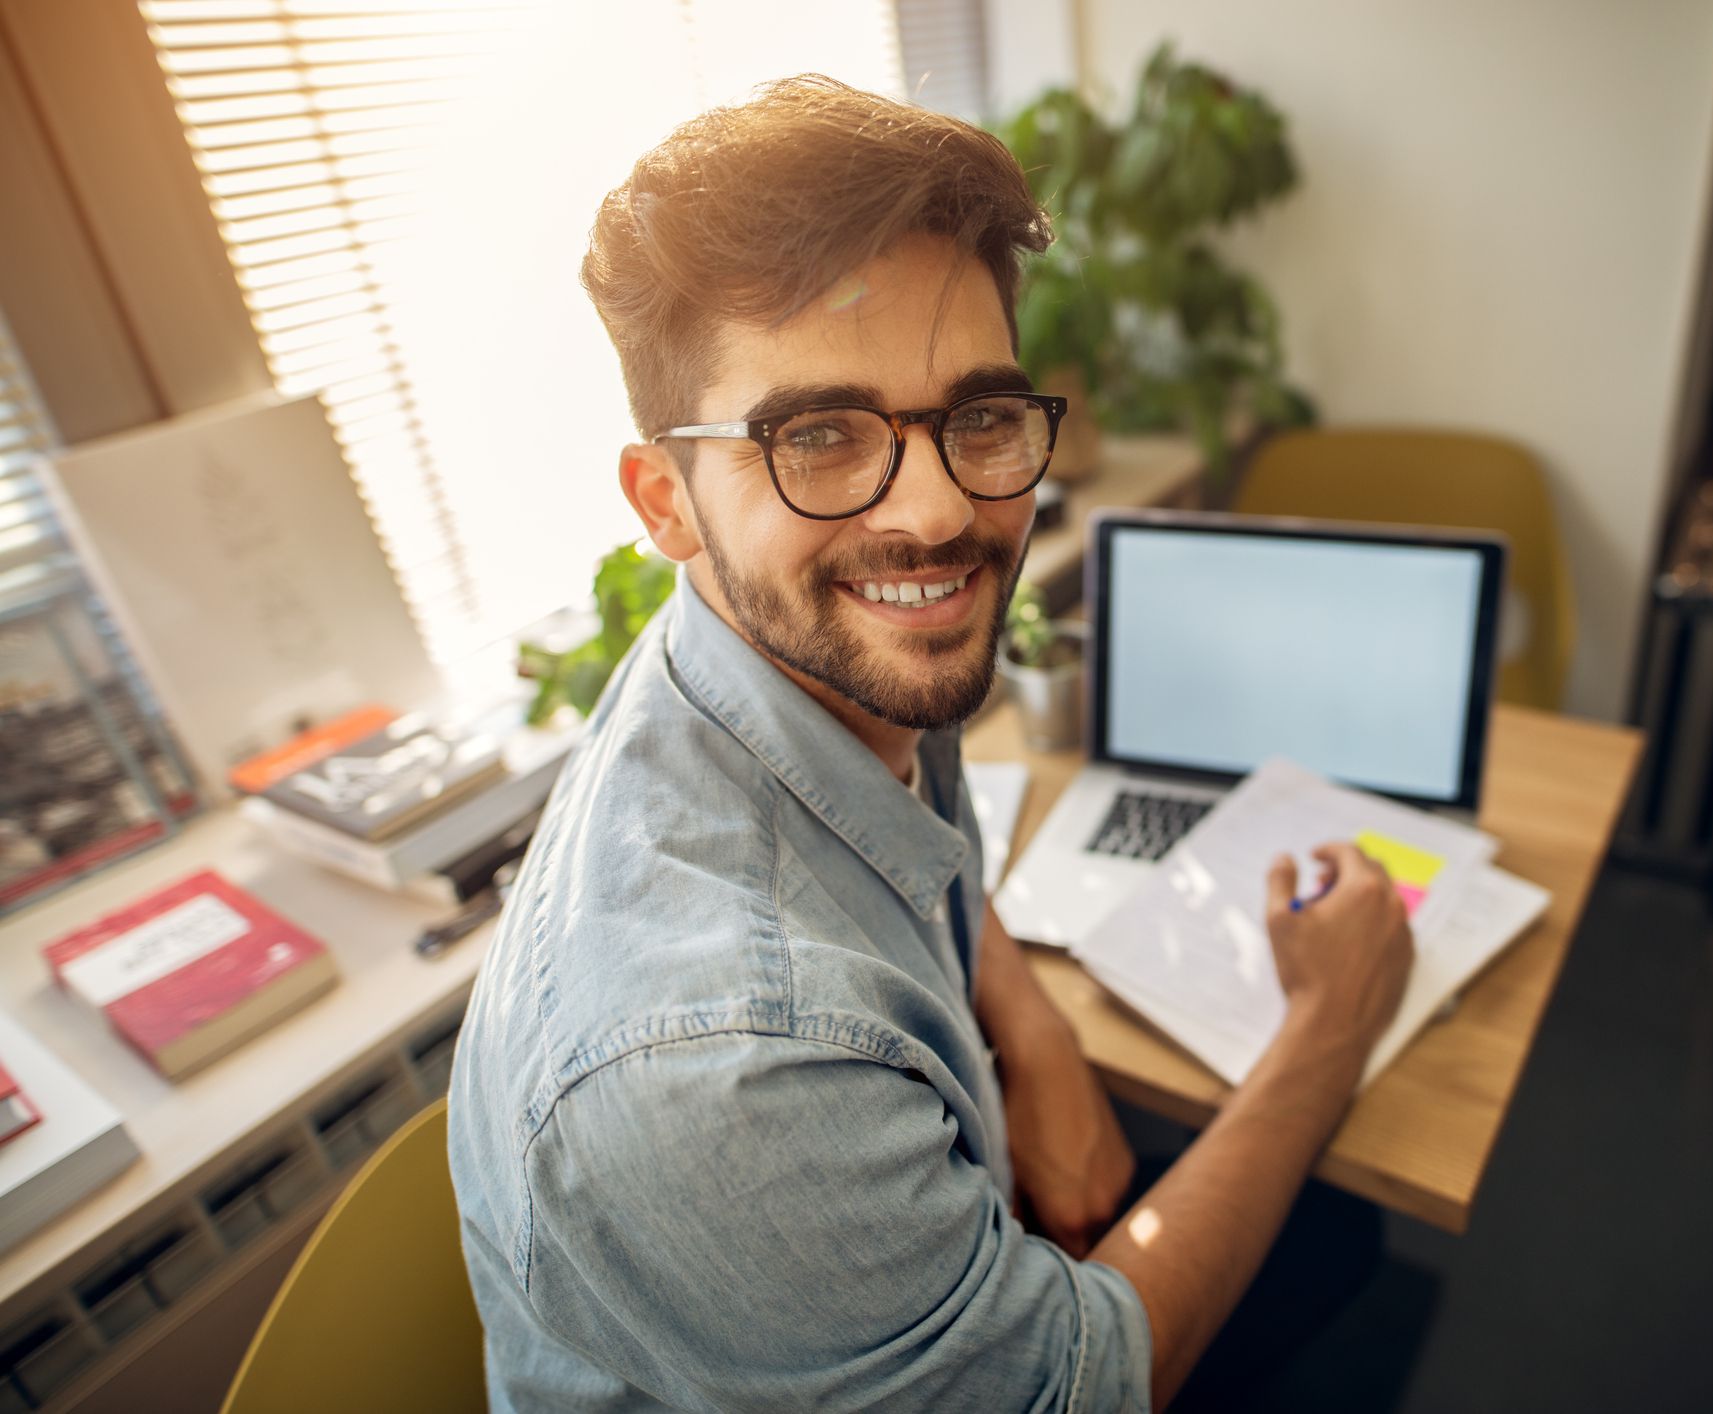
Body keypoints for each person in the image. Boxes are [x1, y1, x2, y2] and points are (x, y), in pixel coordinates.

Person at [447, 75, 1414, 1413]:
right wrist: (1331, 1020)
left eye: (978, 416)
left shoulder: (793, 668)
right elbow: (1089, 1383)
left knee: (1338, 1249)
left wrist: (1033, 1029)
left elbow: (908, 838)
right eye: (820, 436)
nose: (939, 511)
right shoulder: (714, 1078)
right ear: (666, 499)